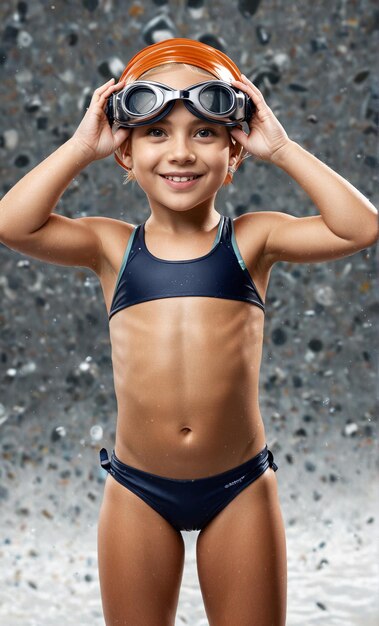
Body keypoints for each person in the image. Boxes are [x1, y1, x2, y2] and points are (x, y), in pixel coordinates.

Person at [0, 37, 377, 626]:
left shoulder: (254, 239)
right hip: (137, 493)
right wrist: (80, 147)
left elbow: (359, 228)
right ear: (124, 151)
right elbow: (11, 224)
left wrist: (282, 147)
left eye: (204, 131)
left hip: (240, 488)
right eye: (156, 132)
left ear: (235, 150)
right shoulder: (111, 246)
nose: (180, 152)